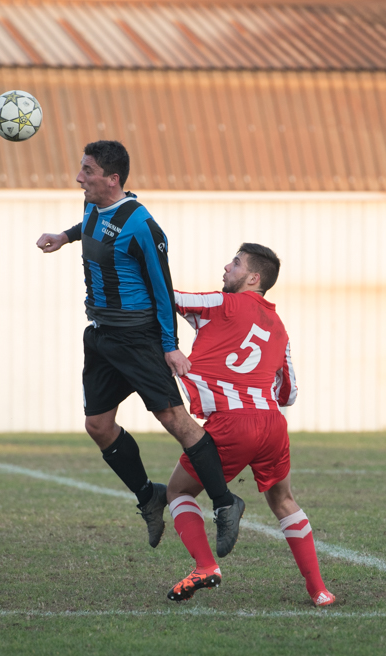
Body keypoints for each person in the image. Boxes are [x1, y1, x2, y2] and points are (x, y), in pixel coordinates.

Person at [35, 140, 243, 554]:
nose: (79, 178)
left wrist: (170, 346)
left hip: (138, 339)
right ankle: (149, 497)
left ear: (112, 179)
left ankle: (225, 502)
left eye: (88, 171)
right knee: (98, 426)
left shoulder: (143, 226)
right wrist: (64, 236)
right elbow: (91, 227)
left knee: (176, 421)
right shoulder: (92, 204)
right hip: (101, 337)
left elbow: (162, 289)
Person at [163, 244, 335, 607]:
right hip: (272, 424)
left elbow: (167, 296)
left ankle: (205, 566)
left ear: (253, 278)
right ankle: (319, 590)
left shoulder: (222, 303)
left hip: (232, 424)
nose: (227, 267)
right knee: (284, 500)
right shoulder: (280, 328)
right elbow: (288, 393)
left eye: (236, 263)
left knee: (178, 492)